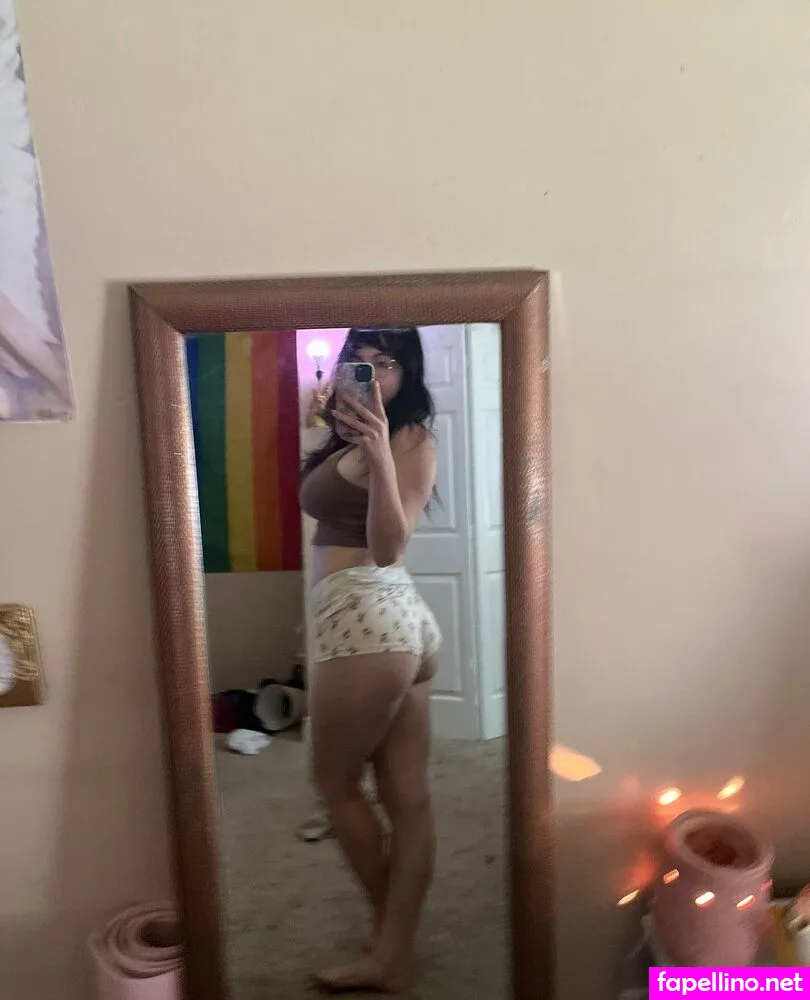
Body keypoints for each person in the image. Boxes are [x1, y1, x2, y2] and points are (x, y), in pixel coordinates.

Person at [299, 326, 441, 993]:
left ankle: (390, 941)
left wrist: (380, 451)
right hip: (387, 621)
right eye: (358, 361)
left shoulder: (408, 438)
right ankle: (395, 953)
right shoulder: (342, 433)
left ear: (407, 373)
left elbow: (389, 548)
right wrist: (353, 437)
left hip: (367, 615)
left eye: (385, 363)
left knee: (334, 784)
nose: (371, 374)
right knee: (406, 795)